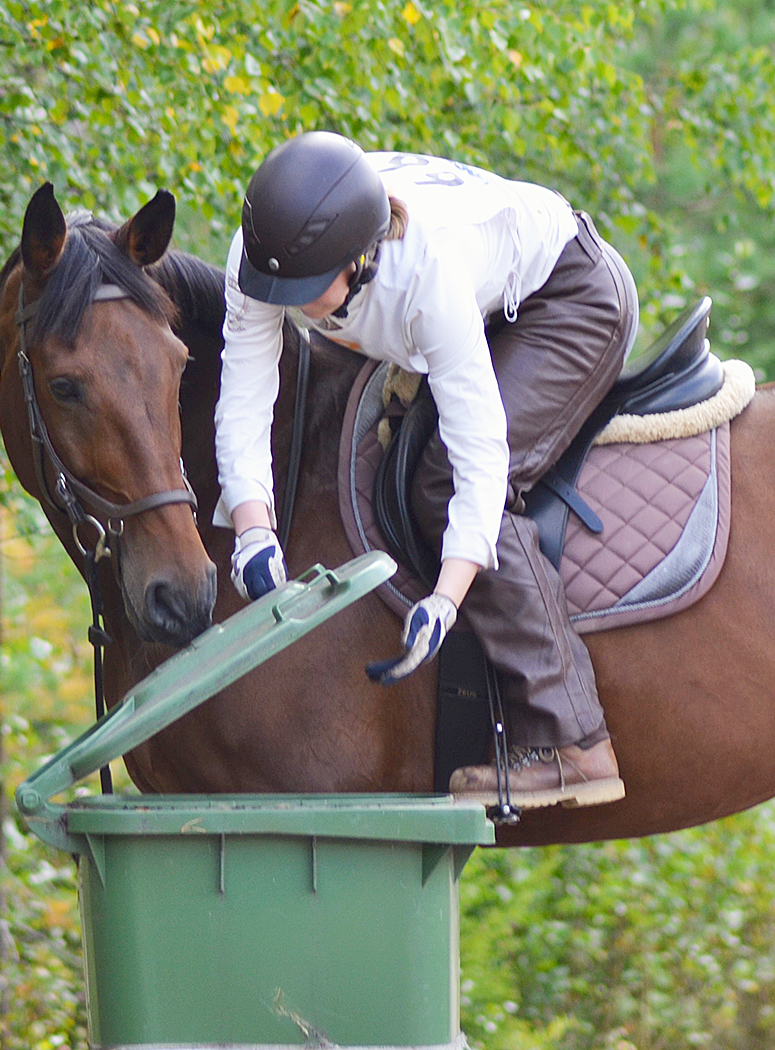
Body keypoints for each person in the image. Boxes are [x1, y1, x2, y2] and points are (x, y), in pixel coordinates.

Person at [214, 131, 636, 809]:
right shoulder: (264, 256)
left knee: (436, 482)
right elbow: (245, 394)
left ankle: (573, 743)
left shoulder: (426, 274)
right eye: (277, 287)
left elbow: (479, 455)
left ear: (357, 257)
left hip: (565, 301)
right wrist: (251, 531)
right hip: (459, 303)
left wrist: (445, 597)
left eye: (304, 289)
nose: (286, 301)